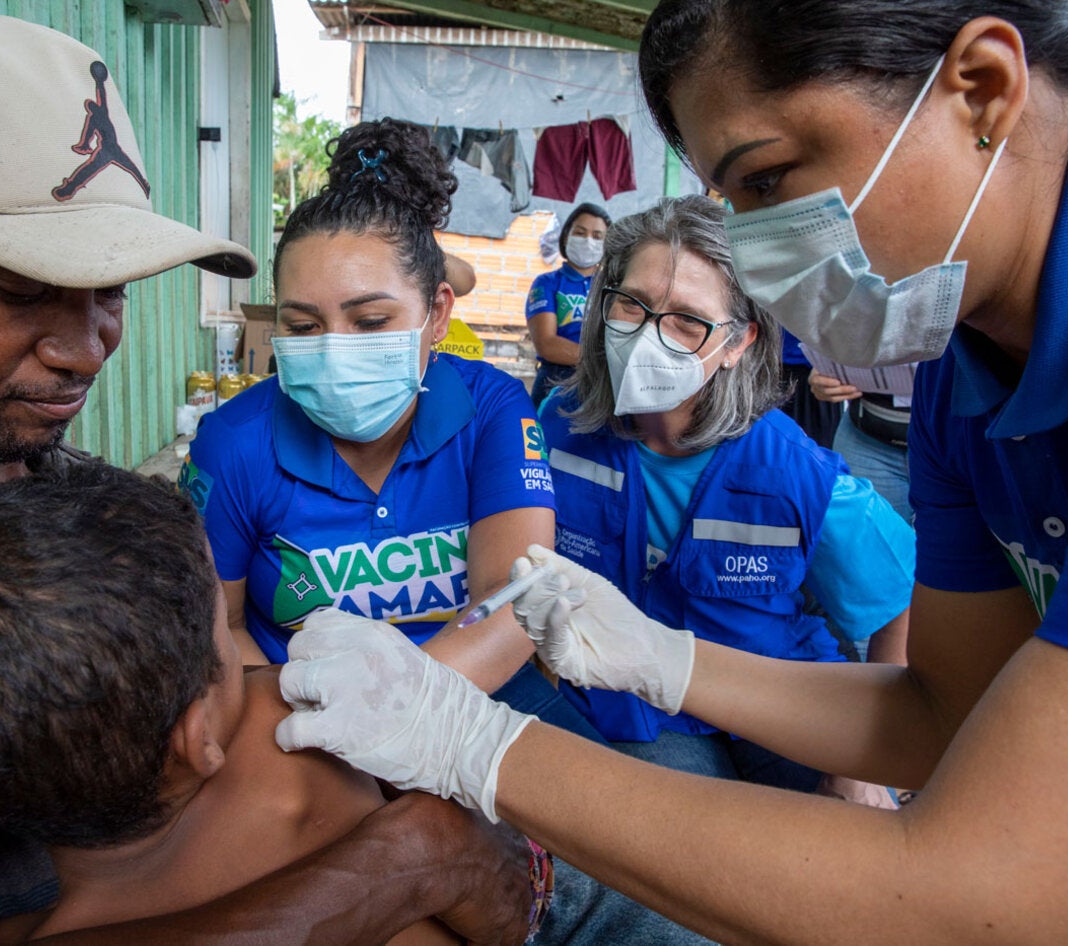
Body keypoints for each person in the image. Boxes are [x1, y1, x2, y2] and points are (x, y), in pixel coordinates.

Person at [269, 2, 1068, 942]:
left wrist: (474, 746)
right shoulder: (963, 375)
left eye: (769, 178)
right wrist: (668, 661)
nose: (765, 265)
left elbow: (987, 891)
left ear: (979, 88)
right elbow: (948, 713)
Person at [0, 12, 531, 946]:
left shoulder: (37, 465)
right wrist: (404, 862)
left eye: (110, 288)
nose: (86, 350)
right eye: (18, 288)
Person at [181, 118, 711, 946]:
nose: (335, 349)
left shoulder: (491, 409)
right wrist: (328, 735)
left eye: (368, 319)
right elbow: (218, 632)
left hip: (492, 702)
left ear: (437, 313)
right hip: (301, 727)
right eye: (304, 325)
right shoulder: (235, 441)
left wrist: (404, 720)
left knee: (652, 900)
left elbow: (514, 601)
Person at [0, 463, 551, 945]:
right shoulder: (297, 719)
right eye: (225, 626)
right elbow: (506, 873)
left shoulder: (63, 929)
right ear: (195, 735)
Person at [539, 194, 912, 790]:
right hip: (636, 703)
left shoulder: (793, 468)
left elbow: (895, 601)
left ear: (738, 344)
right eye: (631, 306)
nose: (648, 338)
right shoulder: (559, 426)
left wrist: (865, 765)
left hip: (778, 694)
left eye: (687, 321)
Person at [525, 202, 611, 407]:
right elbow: (547, 345)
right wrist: (604, 359)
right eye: (580, 233)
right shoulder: (546, 283)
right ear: (566, 236)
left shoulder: (612, 287)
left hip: (600, 386)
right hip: (555, 382)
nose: (588, 241)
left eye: (598, 236)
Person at [810, 368, 916, 524]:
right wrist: (826, 367)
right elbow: (840, 347)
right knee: (859, 539)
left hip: (950, 442)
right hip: (868, 436)